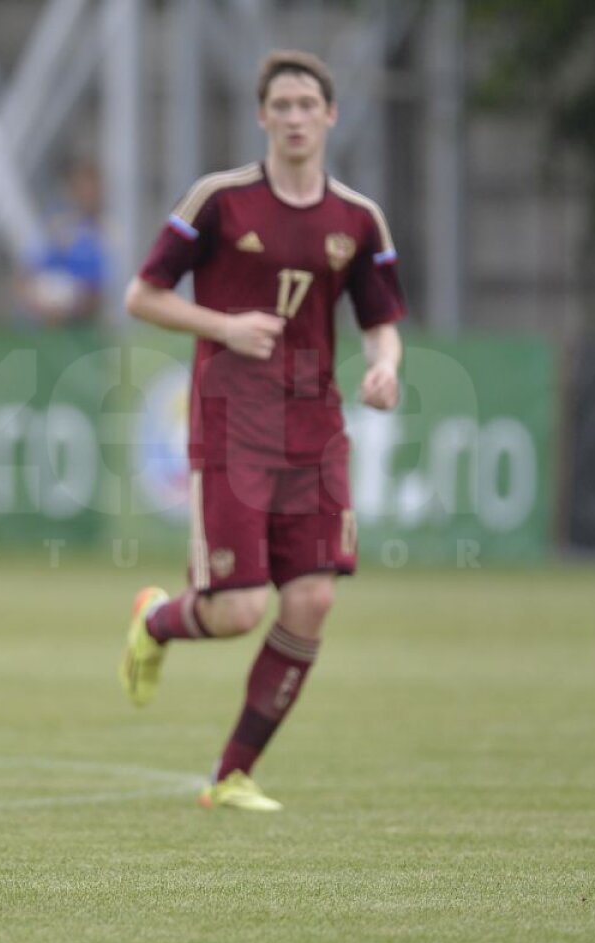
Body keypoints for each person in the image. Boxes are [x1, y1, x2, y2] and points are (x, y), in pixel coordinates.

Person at [119, 50, 405, 812]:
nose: (295, 117)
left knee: (312, 601)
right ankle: (157, 620)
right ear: (262, 117)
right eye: (281, 105)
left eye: (308, 104)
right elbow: (141, 296)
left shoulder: (358, 218)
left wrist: (385, 367)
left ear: (330, 115)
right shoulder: (220, 200)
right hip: (233, 427)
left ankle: (233, 774)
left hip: (317, 432)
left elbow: (380, 323)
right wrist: (224, 326)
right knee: (240, 610)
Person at [16, 161, 109, 327]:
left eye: (91, 187)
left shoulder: (110, 231)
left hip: (88, 326)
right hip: (50, 326)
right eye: (81, 187)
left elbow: (104, 288)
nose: (87, 193)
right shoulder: (58, 229)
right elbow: (26, 277)